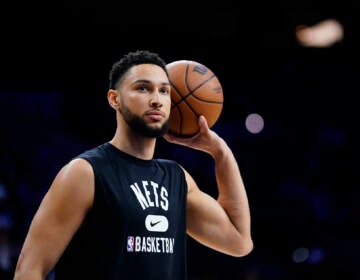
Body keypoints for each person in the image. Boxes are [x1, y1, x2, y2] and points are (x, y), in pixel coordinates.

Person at [13, 50, 253, 280]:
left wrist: (220, 152)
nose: (156, 99)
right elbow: (29, 270)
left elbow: (239, 241)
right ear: (114, 99)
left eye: (164, 91)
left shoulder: (177, 179)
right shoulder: (85, 172)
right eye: (143, 88)